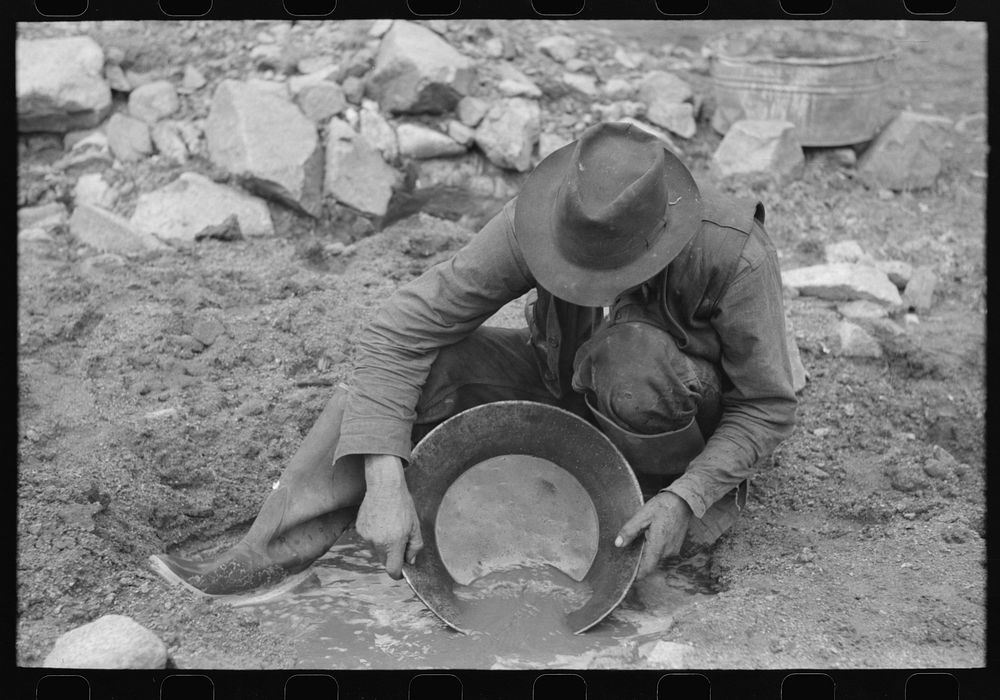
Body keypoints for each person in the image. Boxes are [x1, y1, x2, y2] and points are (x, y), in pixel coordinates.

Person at [150, 122, 797, 595]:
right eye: (573, 270)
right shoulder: (546, 220)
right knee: (424, 370)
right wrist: (383, 480)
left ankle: (635, 507)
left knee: (628, 357)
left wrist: (688, 498)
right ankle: (282, 546)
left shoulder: (734, 255)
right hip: (566, 379)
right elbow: (401, 329)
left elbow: (767, 406)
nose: (582, 285)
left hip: (678, 421)